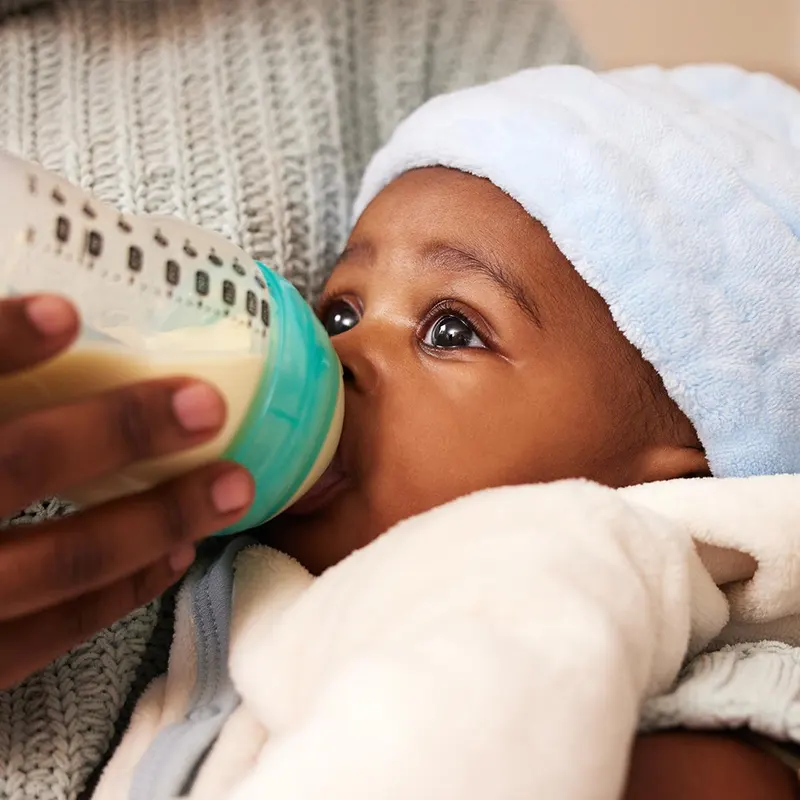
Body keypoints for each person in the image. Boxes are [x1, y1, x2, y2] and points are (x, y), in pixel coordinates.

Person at [92, 63, 800, 799]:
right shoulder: (264, 571)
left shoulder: (559, 576)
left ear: (673, 477)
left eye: (451, 330)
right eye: (341, 312)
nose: (337, 355)